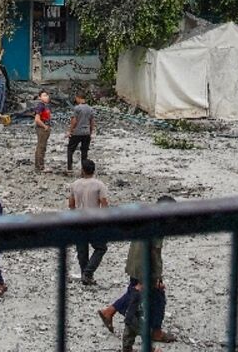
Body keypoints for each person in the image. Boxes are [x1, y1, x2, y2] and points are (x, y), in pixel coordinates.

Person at [98, 197, 177, 344]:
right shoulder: (157, 225)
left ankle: (109, 312)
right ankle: (155, 332)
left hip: (136, 265)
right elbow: (151, 254)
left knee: (133, 293)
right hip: (144, 270)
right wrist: (149, 278)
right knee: (157, 298)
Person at [68, 159, 110, 285]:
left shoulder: (75, 184)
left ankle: (84, 274)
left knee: (82, 250)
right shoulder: (99, 185)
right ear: (94, 170)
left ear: (82, 170)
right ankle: (88, 272)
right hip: (94, 220)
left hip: (79, 219)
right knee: (101, 247)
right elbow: (104, 204)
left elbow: (71, 204)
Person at [66, 93, 95, 172]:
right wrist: (91, 132)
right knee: (84, 151)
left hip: (77, 132)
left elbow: (74, 121)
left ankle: (69, 168)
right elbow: (92, 122)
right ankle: (84, 169)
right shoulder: (90, 108)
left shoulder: (77, 108)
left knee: (70, 149)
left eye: (76, 98)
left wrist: (70, 131)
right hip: (86, 133)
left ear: (79, 98)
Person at [34, 90, 53, 173]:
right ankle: (39, 167)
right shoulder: (40, 106)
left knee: (42, 147)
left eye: (47, 95)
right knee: (41, 147)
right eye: (44, 95)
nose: (47, 97)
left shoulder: (46, 106)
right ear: (40, 97)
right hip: (42, 129)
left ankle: (40, 165)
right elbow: (37, 119)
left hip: (45, 128)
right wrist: (45, 126)